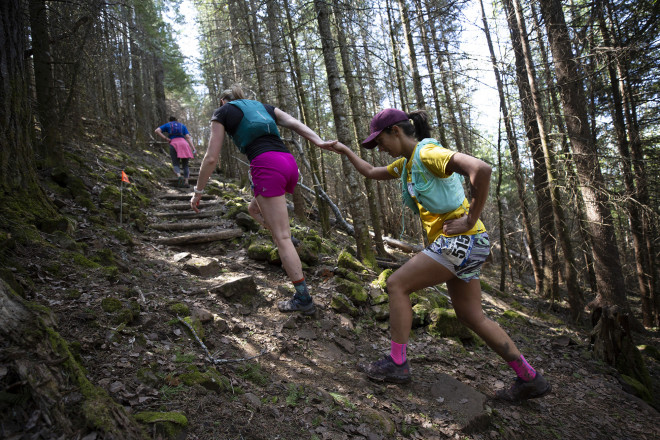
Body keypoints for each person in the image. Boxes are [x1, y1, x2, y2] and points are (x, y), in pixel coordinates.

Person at [329, 108, 551, 402]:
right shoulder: (406, 164)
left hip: (461, 240)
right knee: (471, 316)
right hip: (469, 244)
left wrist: (471, 218)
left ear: (396, 131)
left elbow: (481, 169)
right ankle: (529, 378)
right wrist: (344, 150)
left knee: (396, 284)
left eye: (380, 141)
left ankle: (397, 364)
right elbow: (371, 172)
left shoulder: (427, 153)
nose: (379, 148)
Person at [190, 84, 337, 315]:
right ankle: (290, 242)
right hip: (288, 163)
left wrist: (197, 192)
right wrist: (318, 141)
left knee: (281, 238)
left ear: (222, 101)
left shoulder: (223, 112)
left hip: (266, 164)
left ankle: (303, 298)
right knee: (253, 209)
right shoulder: (264, 108)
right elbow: (295, 123)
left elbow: (211, 158)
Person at [155, 116, 196, 187]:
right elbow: (188, 137)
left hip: (174, 144)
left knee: (175, 163)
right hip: (184, 144)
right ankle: (186, 182)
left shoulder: (168, 125)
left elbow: (157, 131)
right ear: (177, 120)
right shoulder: (182, 126)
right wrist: (193, 148)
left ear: (170, 120)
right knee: (185, 165)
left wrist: (166, 138)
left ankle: (179, 175)